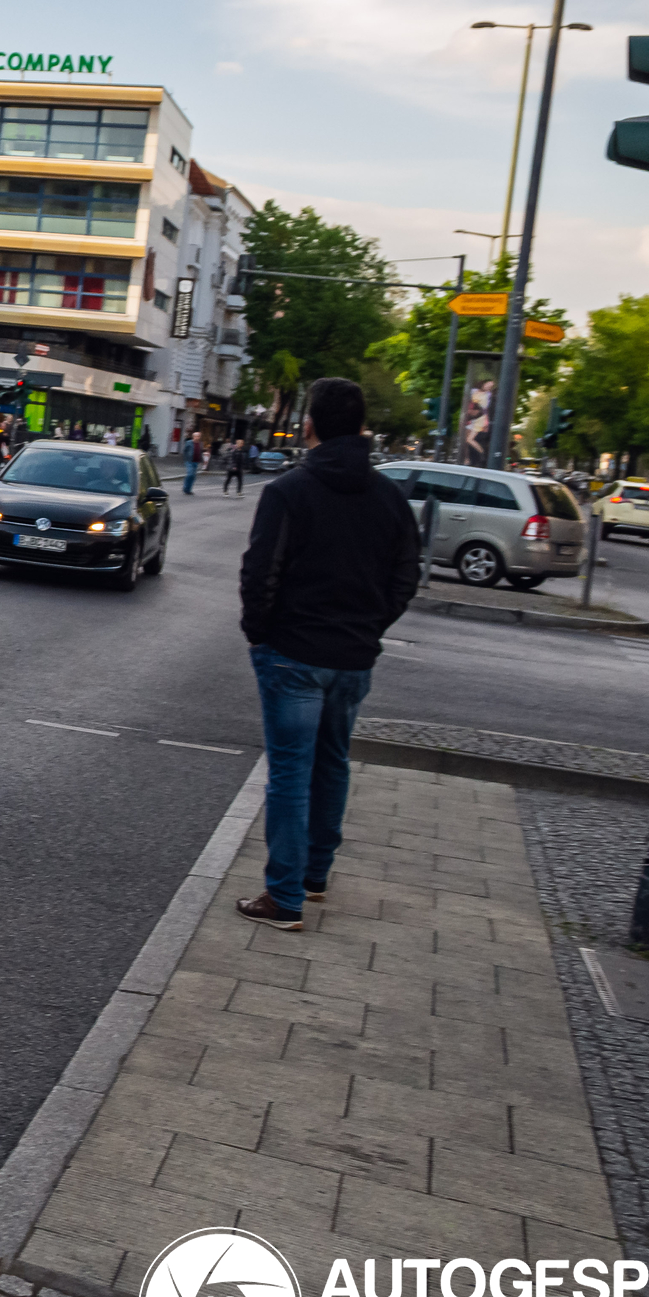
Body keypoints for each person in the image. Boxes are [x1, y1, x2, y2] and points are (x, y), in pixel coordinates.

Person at [236, 377, 420, 931]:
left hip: (292, 652)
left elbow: (259, 573)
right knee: (332, 763)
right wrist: (370, 625)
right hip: (352, 657)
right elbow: (406, 574)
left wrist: (260, 633)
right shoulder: (389, 498)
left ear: (310, 423)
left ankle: (284, 898)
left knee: (290, 772)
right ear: (362, 427)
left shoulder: (289, 491)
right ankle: (315, 877)